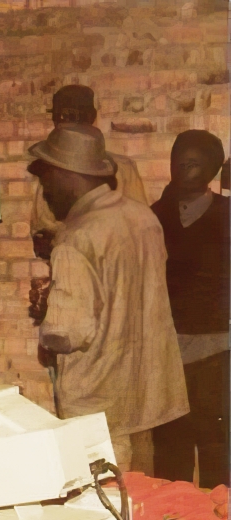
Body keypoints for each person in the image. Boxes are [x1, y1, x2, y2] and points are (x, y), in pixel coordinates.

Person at [27, 124, 188, 472]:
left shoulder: (75, 237)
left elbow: (69, 333)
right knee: (139, 507)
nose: (46, 191)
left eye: (47, 179)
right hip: (145, 396)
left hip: (97, 405)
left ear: (66, 174)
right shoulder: (143, 217)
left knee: (101, 508)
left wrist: (49, 317)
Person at [150, 130, 229, 488]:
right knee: (169, 451)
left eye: (194, 163)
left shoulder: (227, 215)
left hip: (218, 351)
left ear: (213, 169)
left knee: (218, 452)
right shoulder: (152, 218)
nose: (183, 169)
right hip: (166, 351)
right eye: (178, 161)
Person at [31, 85, 148, 260]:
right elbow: (40, 229)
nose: (65, 123)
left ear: (91, 117)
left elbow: (139, 229)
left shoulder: (123, 168)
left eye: (73, 116)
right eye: (60, 117)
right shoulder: (50, 170)